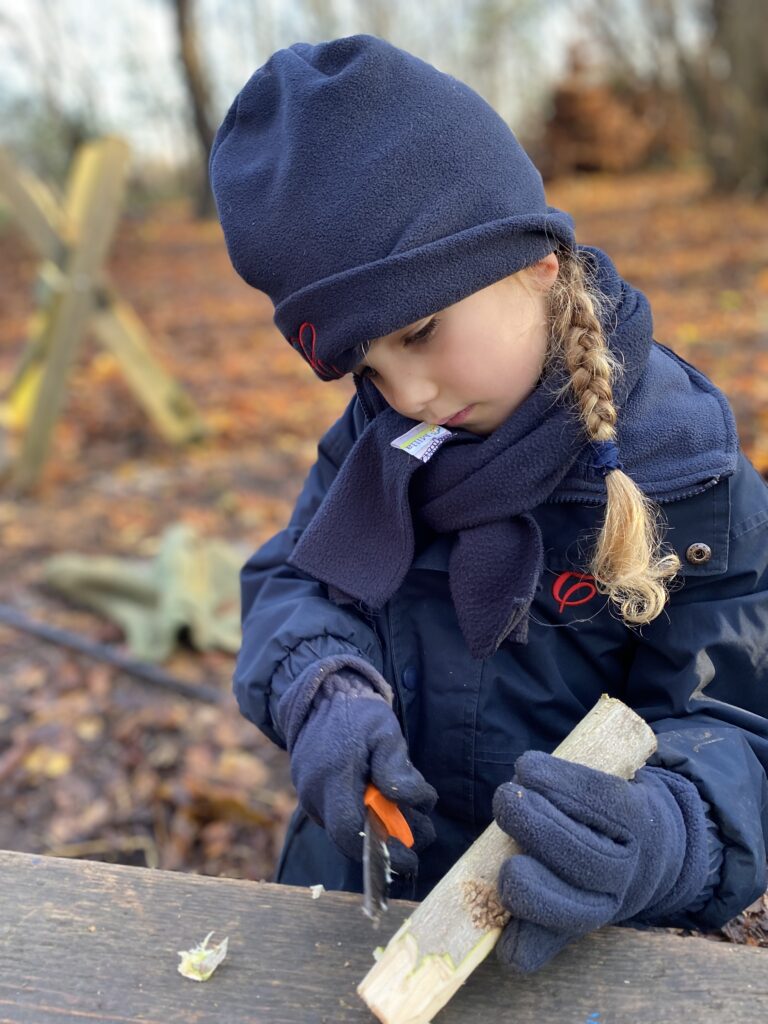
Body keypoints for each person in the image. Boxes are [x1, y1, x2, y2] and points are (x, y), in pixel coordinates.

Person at [209, 34, 768, 973]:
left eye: (421, 333)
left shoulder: (689, 477)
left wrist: (662, 836)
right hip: (365, 900)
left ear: (535, 264)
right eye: (364, 366)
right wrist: (322, 689)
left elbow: (744, 731)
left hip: (585, 930)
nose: (409, 397)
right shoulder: (379, 441)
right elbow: (293, 581)